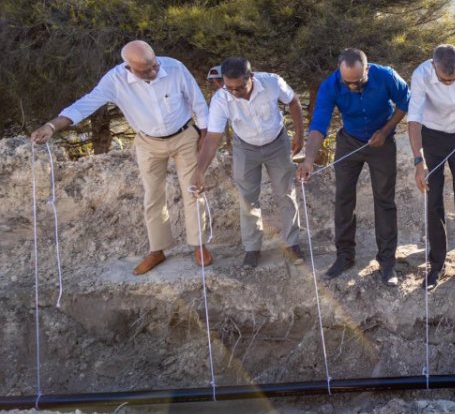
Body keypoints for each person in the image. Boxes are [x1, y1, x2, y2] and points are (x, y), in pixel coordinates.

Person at [30, 40, 210, 275]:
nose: (154, 72)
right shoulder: (114, 80)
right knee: (153, 196)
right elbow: (85, 105)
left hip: (184, 135)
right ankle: (157, 250)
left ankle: (199, 245)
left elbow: (199, 104)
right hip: (148, 142)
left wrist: (204, 141)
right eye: (146, 71)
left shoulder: (175, 67)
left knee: (193, 190)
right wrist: (52, 126)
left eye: (154, 65)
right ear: (128, 68)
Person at [296, 48, 410, 286]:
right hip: (349, 142)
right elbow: (319, 124)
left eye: (357, 82)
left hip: (382, 141)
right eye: (347, 82)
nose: (351, 86)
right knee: (343, 199)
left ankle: (387, 262)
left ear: (367, 69)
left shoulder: (386, 75)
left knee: (385, 200)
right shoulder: (331, 85)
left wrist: (386, 130)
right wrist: (308, 159)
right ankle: (344, 256)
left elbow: (405, 101)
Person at [193, 57, 304, 269]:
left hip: (277, 143)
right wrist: (199, 171)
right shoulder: (221, 99)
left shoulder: (272, 82)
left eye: (240, 87)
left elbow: (293, 101)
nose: (235, 92)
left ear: (250, 77)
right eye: (230, 88)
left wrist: (300, 134)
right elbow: (212, 139)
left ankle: (292, 244)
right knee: (247, 198)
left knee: (286, 193)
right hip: (245, 147)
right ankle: (252, 249)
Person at [408, 44, 455, 289]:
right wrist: (419, 161)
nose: (450, 84)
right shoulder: (420, 75)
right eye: (444, 79)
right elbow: (415, 119)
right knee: (434, 200)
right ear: (434, 66)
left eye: (454, 78)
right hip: (433, 135)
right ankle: (437, 264)